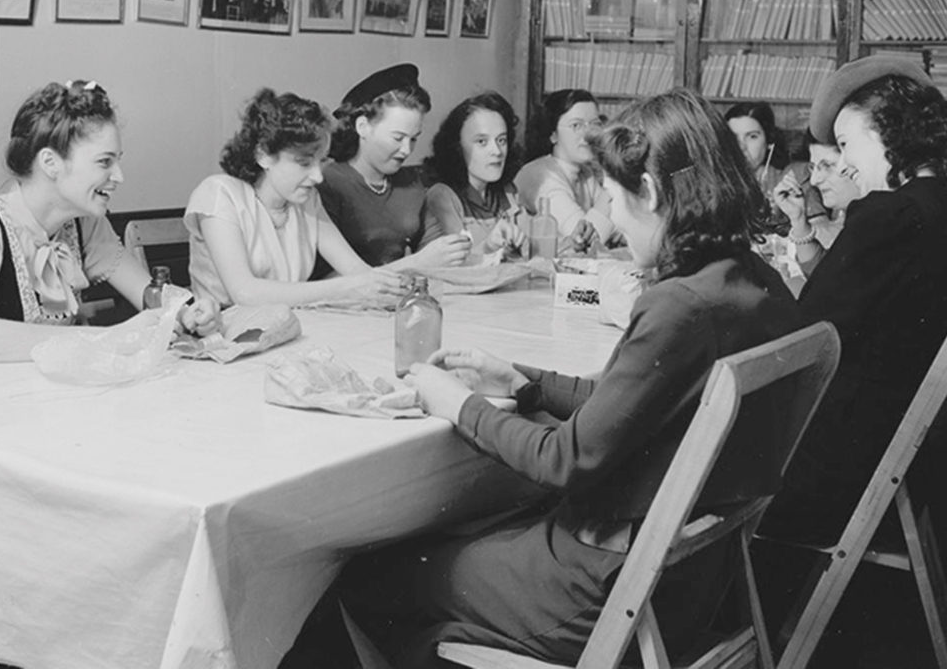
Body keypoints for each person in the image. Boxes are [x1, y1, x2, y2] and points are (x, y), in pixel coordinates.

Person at [281, 88, 801, 669]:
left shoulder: (679, 306)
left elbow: (565, 459)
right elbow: (630, 404)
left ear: (650, 193)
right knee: (452, 546)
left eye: (615, 199)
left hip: (599, 591)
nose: (620, 227)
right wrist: (522, 380)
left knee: (357, 575)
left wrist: (458, 405)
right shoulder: (754, 284)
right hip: (692, 584)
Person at [760, 56, 947, 542]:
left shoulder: (888, 215)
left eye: (845, 144)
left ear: (888, 131)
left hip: (827, 462)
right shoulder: (936, 206)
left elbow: (807, 330)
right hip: (882, 448)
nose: (846, 163)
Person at [0, 81, 219, 365]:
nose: (119, 176)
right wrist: (109, 338)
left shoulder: (84, 226)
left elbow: (147, 293)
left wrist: (188, 311)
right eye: (104, 162)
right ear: (50, 163)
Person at [184, 89, 405, 308]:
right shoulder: (219, 194)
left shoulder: (308, 200)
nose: (318, 176)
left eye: (322, 161)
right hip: (220, 334)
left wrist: (396, 286)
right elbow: (245, 293)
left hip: (291, 329)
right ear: (264, 155)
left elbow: (357, 270)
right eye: (304, 162)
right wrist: (347, 289)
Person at [318, 63, 470, 272]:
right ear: (363, 127)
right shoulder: (329, 182)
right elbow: (333, 278)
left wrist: (483, 249)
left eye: (414, 139)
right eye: (397, 138)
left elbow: (435, 252)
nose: (406, 150)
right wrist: (417, 263)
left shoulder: (410, 183)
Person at [422, 91, 528, 258]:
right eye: (482, 142)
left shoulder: (508, 192)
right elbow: (453, 265)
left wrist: (570, 242)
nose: (497, 151)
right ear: (457, 147)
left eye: (501, 140)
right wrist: (487, 248)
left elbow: (533, 248)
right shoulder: (442, 196)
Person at [515, 89, 615, 254]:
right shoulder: (539, 175)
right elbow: (584, 240)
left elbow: (618, 227)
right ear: (553, 134)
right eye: (576, 125)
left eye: (595, 124)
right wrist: (615, 181)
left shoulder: (585, 173)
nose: (588, 134)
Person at [771, 137, 862, 276]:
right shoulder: (852, 218)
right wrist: (799, 219)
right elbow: (823, 276)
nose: (814, 181)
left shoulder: (883, 223)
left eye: (828, 165)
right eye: (813, 167)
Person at [725, 101, 789, 197]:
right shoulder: (714, 183)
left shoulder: (786, 182)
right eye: (733, 138)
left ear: (769, 140)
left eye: (752, 136)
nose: (741, 147)